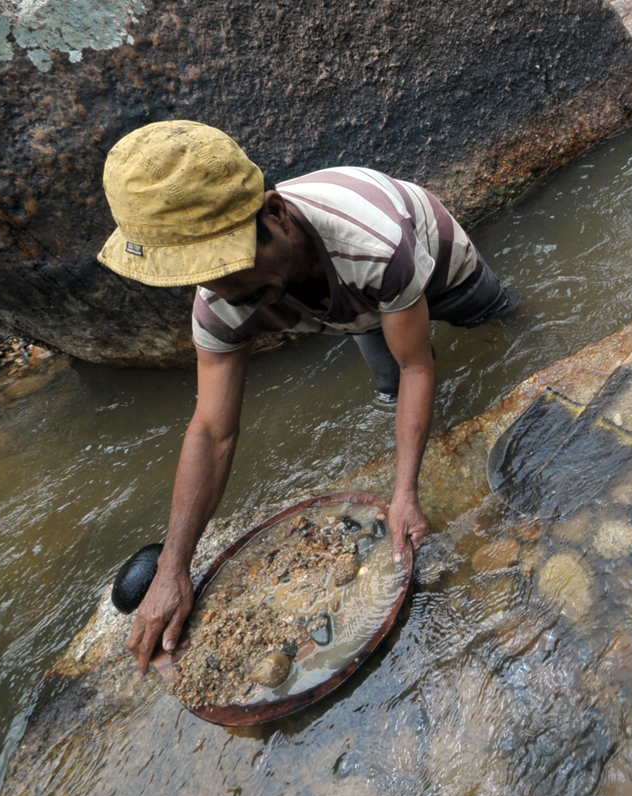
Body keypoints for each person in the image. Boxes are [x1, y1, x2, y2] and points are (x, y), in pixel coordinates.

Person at [97, 120, 521, 673]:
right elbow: (211, 430)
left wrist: (404, 492)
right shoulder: (223, 302)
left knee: (499, 317)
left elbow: (421, 364)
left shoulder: (372, 244)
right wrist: (175, 564)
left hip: (435, 261)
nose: (233, 292)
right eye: (215, 277)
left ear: (275, 214)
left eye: (241, 269)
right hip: (358, 308)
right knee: (391, 388)